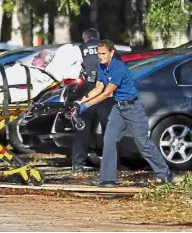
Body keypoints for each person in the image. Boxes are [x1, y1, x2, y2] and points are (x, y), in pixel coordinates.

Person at [74, 39, 174, 187]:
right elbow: (97, 89)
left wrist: (87, 105)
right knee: (108, 140)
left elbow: (106, 93)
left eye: (103, 54)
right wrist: (79, 102)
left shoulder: (118, 68)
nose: (100, 57)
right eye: (98, 54)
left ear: (111, 53)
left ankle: (165, 173)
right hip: (118, 108)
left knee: (143, 143)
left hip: (133, 108)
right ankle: (108, 179)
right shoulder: (101, 67)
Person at [71, 28, 115, 176]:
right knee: (108, 132)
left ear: (85, 39)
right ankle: (111, 166)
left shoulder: (78, 50)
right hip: (106, 94)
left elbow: (71, 73)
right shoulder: (108, 49)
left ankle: (78, 166)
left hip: (86, 93)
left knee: (82, 131)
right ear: (98, 38)